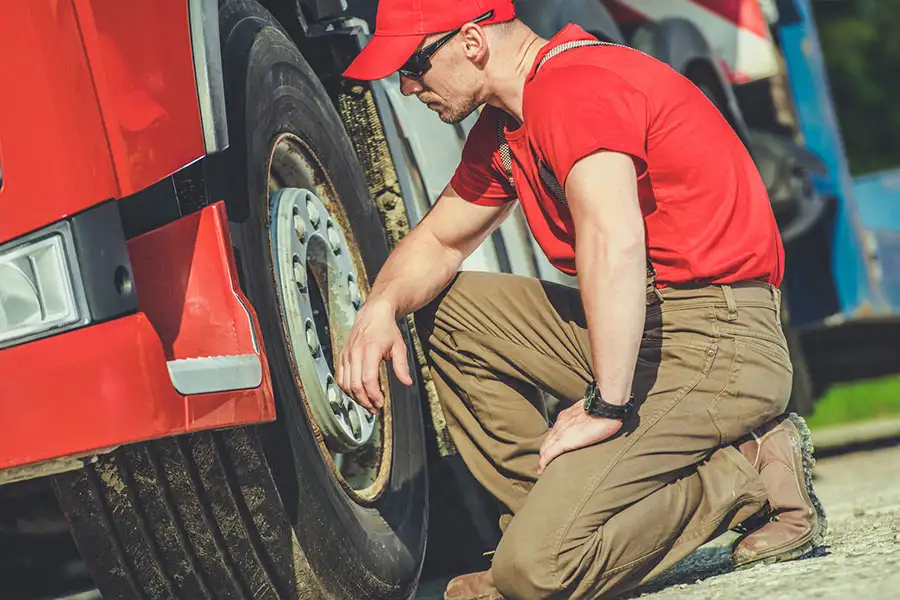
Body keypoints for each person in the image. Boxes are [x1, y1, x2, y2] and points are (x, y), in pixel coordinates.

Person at [337, 1, 827, 598]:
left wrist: (606, 403)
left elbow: (612, 239)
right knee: (450, 311)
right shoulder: (507, 126)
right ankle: (551, 525)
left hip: (719, 338)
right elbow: (439, 240)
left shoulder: (573, 87)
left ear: (471, 41)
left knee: (534, 574)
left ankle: (751, 469)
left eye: (413, 66)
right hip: (650, 328)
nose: (408, 87)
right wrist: (379, 307)